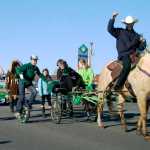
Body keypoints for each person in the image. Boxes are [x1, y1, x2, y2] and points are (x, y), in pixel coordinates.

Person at [107, 12, 146, 90]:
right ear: (125, 24)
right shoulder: (120, 32)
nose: (129, 25)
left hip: (134, 56)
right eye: (128, 23)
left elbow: (141, 48)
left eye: (131, 23)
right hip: (124, 55)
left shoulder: (137, 36)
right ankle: (118, 85)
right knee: (127, 65)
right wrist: (113, 18)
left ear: (133, 24)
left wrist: (143, 41)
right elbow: (110, 29)